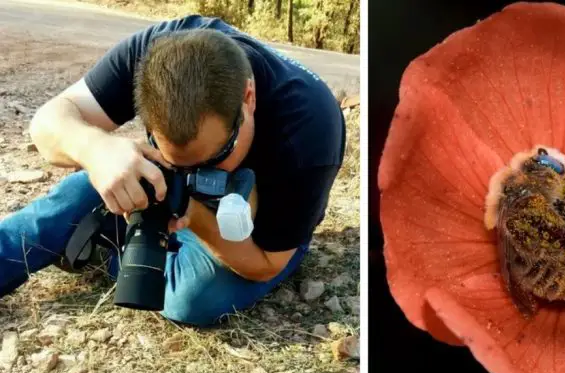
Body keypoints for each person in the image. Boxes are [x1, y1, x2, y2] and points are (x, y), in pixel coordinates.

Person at [0, 15, 346, 326]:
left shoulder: (309, 132)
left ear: (248, 99)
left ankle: (103, 244)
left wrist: (192, 213)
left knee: (191, 300)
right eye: (174, 163)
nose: (190, 175)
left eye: (213, 157)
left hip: (260, 229)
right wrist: (96, 148)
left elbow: (266, 263)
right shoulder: (157, 59)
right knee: (74, 195)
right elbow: (47, 124)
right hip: (180, 202)